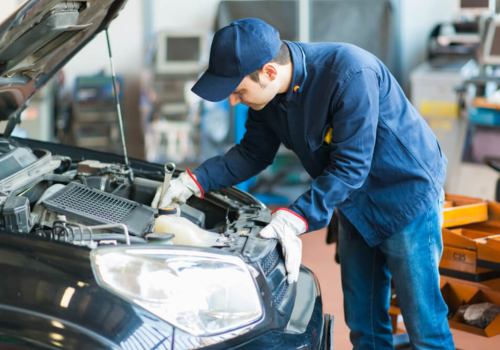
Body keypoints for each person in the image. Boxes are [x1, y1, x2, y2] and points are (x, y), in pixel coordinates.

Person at [151, 18, 455, 349]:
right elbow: (253, 153)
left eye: (238, 90)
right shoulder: (268, 99)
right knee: (364, 325)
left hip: (405, 197)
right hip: (353, 204)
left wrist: (296, 216)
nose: (234, 101)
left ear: (268, 71)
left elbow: (352, 164)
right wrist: (195, 182)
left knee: (425, 327)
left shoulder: (350, 73)